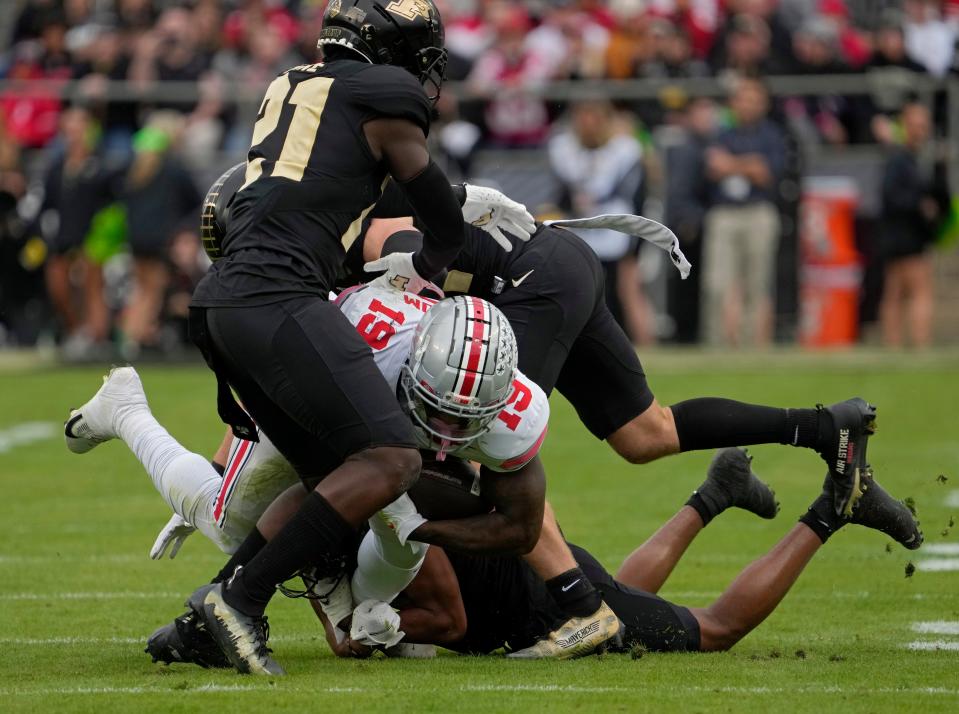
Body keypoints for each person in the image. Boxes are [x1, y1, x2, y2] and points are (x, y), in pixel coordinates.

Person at [66, 0, 533, 676]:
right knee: (392, 459)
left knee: (328, 480)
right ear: (390, 48)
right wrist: (434, 254)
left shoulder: (293, 82)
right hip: (278, 296)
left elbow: (332, 181)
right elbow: (433, 211)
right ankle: (242, 601)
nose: (424, 73)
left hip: (225, 298)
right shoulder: (386, 93)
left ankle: (211, 614)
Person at [319, 448, 922, 658]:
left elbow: (448, 617)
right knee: (627, 599)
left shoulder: (390, 519)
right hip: (547, 579)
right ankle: (716, 493)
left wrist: (379, 634)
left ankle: (834, 508)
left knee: (716, 631)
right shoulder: (369, 493)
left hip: (544, 610)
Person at [548, 100, 654, 344]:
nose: (589, 126)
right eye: (583, 119)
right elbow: (562, 193)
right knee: (577, 286)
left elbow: (636, 193)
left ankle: (647, 344)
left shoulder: (625, 151)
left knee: (628, 286)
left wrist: (637, 237)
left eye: (594, 119)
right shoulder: (564, 149)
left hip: (617, 224)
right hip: (582, 226)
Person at [701, 77, 785, 347]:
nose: (748, 105)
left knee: (757, 284)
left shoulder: (772, 135)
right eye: (743, 99)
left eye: (754, 100)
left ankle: (753, 348)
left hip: (758, 212)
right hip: (724, 213)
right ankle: (716, 345)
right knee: (716, 284)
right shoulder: (721, 134)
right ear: (733, 103)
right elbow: (713, 166)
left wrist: (732, 164)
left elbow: (765, 173)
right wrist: (748, 164)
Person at [39, 105, 117, 358]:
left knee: (92, 286)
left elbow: (109, 203)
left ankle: (96, 337)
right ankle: (76, 331)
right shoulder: (57, 167)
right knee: (59, 286)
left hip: (92, 237)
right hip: (62, 237)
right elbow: (47, 203)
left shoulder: (99, 165)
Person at [878, 102, 947, 349]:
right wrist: (921, 205)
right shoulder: (900, 159)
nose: (921, 130)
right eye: (916, 125)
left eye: (923, 125)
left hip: (900, 233)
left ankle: (894, 345)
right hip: (905, 234)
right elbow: (892, 196)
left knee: (895, 291)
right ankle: (919, 343)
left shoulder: (911, 159)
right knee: (918, 290)